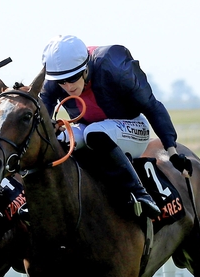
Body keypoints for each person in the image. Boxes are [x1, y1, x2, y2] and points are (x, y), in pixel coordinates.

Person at [40, 34, 180, 219]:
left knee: (94, 133)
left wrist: (172, 151)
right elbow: (42, 118)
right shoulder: (56, 76)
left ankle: (140, 194)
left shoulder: (113, 64)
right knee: (61, 139)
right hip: (89, 129)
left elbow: (152, 106)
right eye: (61, 81)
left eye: (72, 78)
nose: (67, 86)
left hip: (133, 127)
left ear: (85, 68)